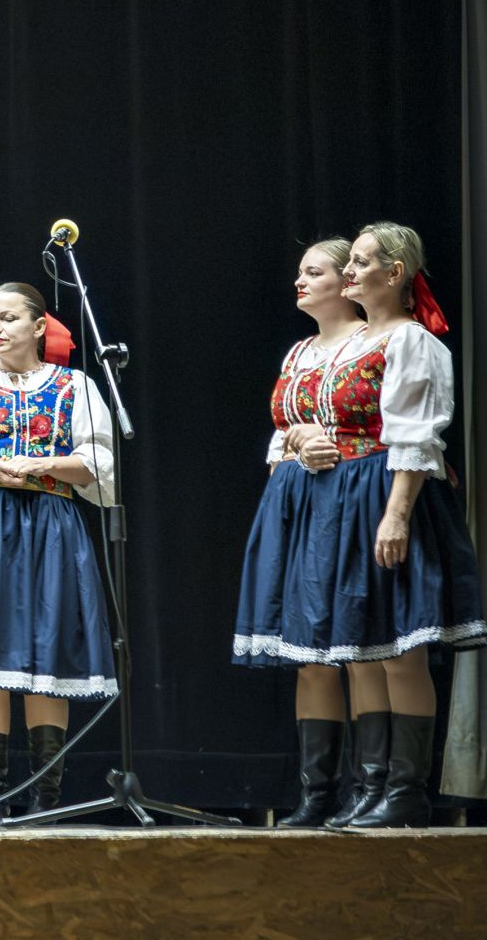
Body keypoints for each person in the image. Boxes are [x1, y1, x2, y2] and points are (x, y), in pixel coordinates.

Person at [233, 223, 485, 827]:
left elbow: (415, 435)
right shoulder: (330, 347)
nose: (348, 272)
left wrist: (396, 514)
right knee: (350, 648)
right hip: (322, 499)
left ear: (393, 273)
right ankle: (357, 789)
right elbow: (299, 424)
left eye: (359, 263)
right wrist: (300, 439)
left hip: (378, 492)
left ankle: (402, 790)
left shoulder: (410, 340)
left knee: (397, 647)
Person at [0, 283, 116, 825]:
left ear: (38, 326)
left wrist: (43, 465)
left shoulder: (75, 386)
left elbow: (99, 462)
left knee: (45, 653)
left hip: (50, 522)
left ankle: (44, 801)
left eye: (8, 318)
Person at [232, 239, 386, 827]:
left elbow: (393, 422)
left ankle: (370, 787)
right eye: (299, 271)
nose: (300, 280)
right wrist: (296, 446)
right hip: (296, 500)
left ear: (346, 281)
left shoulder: (370, 343)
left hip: (352, 495)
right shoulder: (298, 352)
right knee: (308, 653)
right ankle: (316, 793)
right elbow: (284, 430)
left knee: (357, 646)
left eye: (313, 271)